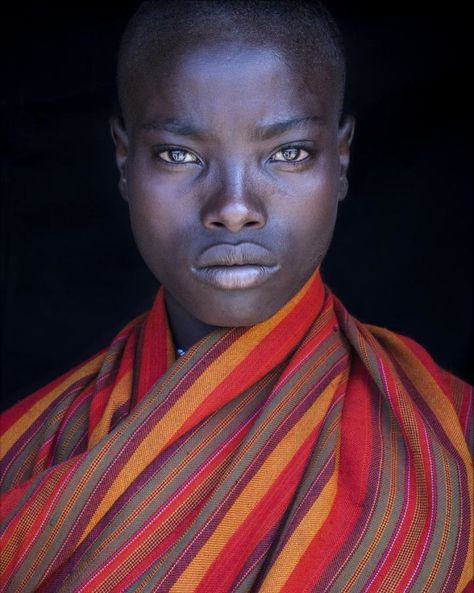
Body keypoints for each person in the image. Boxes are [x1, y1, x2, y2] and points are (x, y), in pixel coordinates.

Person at [1, 1, 472, 592]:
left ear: (342, 155)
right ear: (125, 161)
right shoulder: (23, 452)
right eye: (179, 155)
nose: (233, 208)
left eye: (288, 153)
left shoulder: (454, 441)